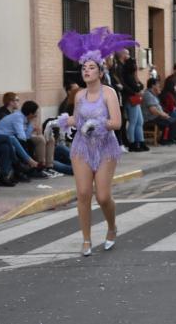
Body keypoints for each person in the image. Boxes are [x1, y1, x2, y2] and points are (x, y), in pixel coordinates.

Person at [57, 27, 134, 256]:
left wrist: (98, 124)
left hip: (104, 147)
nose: (87, 71)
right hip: (82, 146)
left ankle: (111, 227)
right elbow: (78, 119)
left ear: (100, 72)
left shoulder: (109, 93)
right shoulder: (79, 95)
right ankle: (86, 239)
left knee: (102, 195)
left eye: (92, 68)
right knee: (83, 193)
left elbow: (117, 123)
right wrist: (60, 122)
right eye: (84, 67)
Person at [0, 101, 54, 176]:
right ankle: (38, 166)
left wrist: (31, 123)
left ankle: (47, 166)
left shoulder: (25, 118)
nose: (37, 115)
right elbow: (22, 137)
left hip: (12, 137)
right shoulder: (18, 117)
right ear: (30, 114)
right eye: (36, 113)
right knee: (38, 140)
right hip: (0, 137)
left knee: (47, 139)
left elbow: (26, 136)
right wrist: (31, 127)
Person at [143, 77, 176, 145]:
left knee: (174, 119)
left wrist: (164, 114)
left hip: (156, 116)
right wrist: (163, 115)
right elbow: (153, 110)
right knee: (169, 121)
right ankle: (164, 140)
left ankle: (173, 138)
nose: (159, 86)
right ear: (153, 85)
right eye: (157, 84)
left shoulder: (153, 95)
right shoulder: (148, 95)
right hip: (150, 118)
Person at [121, 51, 149, 152]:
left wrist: (138, 83)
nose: (135, 66)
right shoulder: (127, 75)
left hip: (135, 100)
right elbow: (136, 87)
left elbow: (140, 85)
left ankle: (140, 141)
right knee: (133, 122)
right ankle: (132, 143)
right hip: (131, 100)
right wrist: (138, 89)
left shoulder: (132, 75)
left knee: (139, 121)